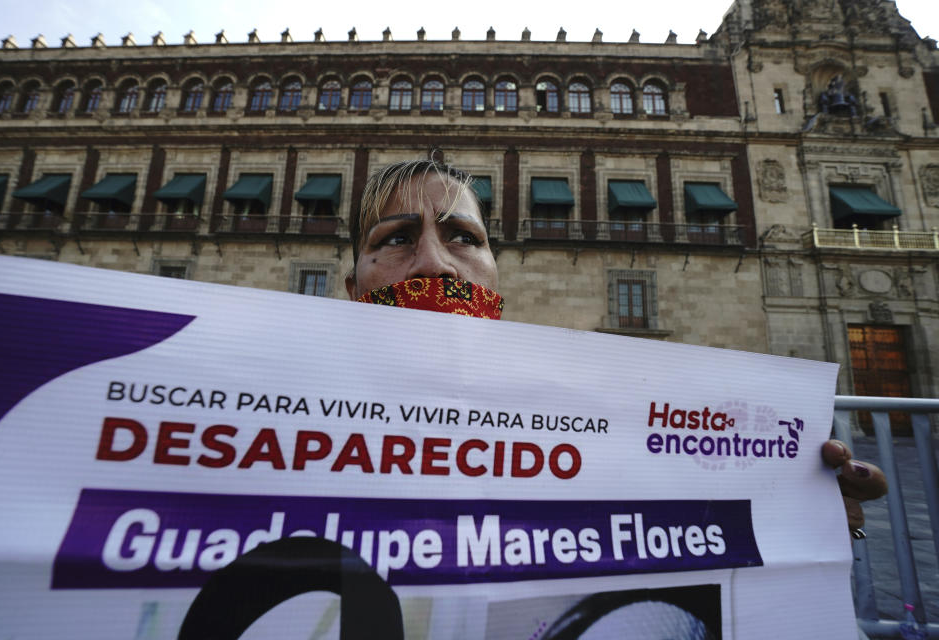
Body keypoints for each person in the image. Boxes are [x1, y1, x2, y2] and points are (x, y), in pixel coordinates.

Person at [346, 158, 887, 535]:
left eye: (463, 236)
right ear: (349, 292)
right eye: (395, 238)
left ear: (495, 281)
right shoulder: (266, 421)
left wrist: (798, 521)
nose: (436, 264)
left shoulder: (595, 420)